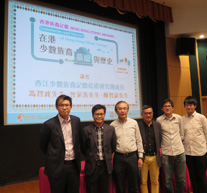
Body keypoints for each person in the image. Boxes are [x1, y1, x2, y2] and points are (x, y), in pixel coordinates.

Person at [40, 95, 81, 193]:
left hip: (73, 166)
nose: (64, 107)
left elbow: (78, 140)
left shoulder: (76, 121)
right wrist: (55, 155)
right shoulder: (49, 124)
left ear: (71, 106)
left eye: (67, 105)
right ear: (56, 107)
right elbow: (43, 145)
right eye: (61, 105)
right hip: (57, 167)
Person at [81, 104, 116, 193]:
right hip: (92, 167)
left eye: (101, 114)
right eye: (97, 114)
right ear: (93, 115)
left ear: (104, 115)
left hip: (106, 167)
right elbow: (83, 148)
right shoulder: (86, 130)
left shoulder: (111, 129)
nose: (99, 116)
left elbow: (113, 147)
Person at [110, 101, 144, 193]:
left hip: (132, 157)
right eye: (120, 109)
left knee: (133, 186)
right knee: (120, 186)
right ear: (116, 111)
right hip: (118, 158)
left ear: (127, 110)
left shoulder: (133, 123)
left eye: (124, 108)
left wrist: (140, 157)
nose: (122, 111)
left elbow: (139, 140)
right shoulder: (112, 125)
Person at [156, 99, 185, 193]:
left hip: (179, 152)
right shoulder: (159, 120)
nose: (167, 108)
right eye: (165, 106)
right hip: (166, 153)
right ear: (162, 108)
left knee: (180, 179)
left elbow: (182, 134)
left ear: (173, 108)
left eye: (169, 106)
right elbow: (159, 136)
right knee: (168, 181)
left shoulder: (178, 118)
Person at [182, 96, 207, 193]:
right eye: (186, 105)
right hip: (188, 153)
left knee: (201, 177)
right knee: (193, 177)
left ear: (195, 106)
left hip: (200, 152)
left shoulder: (201, 118)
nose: (188, 107)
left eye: (190, 105)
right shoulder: (183, 119)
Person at [138, 105, 162, 193]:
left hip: (155, 157)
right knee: (143, 181)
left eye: (150, 113)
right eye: (146, 113)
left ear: (152, 114)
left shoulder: (157, 125)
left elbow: (160, 139)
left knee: (155, 181)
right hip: (143, 158)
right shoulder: (138, 125)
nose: (148, 115)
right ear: (142, 114)